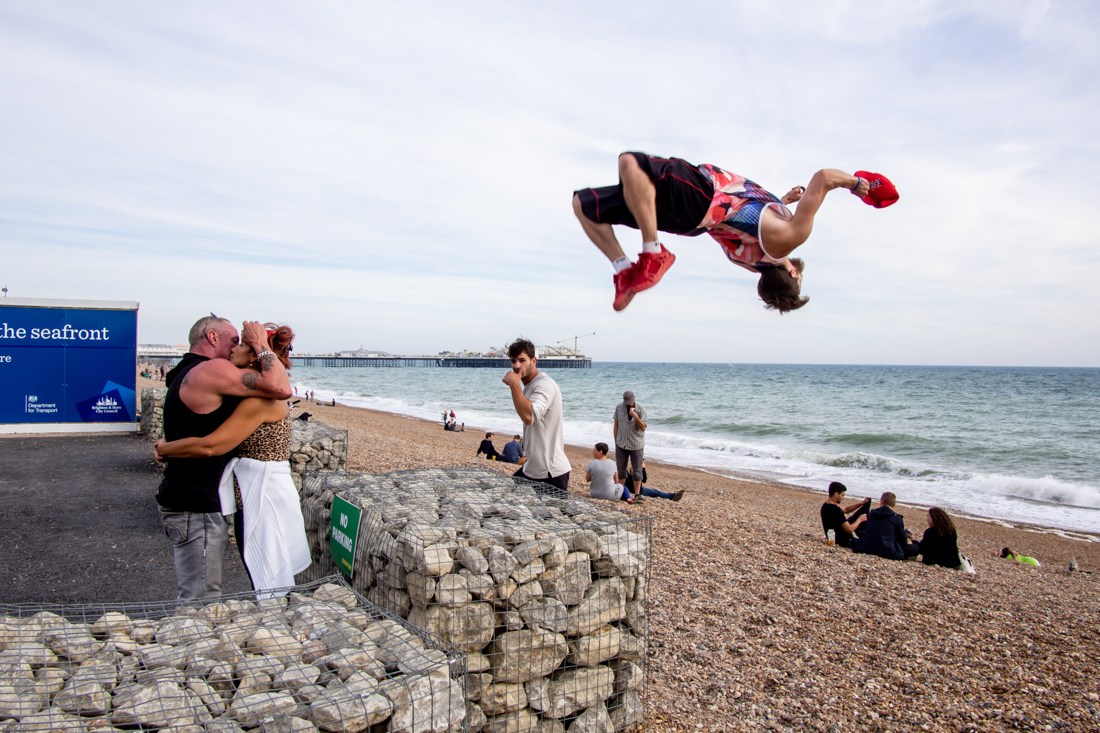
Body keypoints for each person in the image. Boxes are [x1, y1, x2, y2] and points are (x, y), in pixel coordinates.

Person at [573, 152, 896, 312]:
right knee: (585, 204)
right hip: (688, 222)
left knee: (631, 163)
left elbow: (824, 176)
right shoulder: (745, 260)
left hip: (703, 194)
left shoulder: (791, 237)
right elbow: (748, 225)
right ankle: (625, 271)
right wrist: (782, 201)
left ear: (794, 272)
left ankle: (652, 254)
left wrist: (857, 184)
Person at [155, 324, 310, 597]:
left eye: (240, 343)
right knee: (263, 575)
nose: (233, 349)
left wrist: (165, 449)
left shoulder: (259, 401)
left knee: (268, 577)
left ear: (253, 355)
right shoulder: (242, 390)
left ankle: (273, 628)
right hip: (250, 494)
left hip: (262, 497)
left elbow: (211, 445)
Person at [503, 338, 571, 492]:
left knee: (555, 515)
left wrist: (514, 385)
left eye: (522, 360)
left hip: (550, 472)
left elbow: (529, 417)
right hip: (531, 468)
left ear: (534, 360)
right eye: (513, 361)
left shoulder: (544, 385)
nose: (516, 366)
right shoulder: (529, 385)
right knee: (509, 503)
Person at [851, 492, 920, 561]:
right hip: (886, 549)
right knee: (916, 548)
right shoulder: (896, 518)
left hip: (867, 546)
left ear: (882, 501)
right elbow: (903, 540)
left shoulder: (872, 514)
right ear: (894, 504)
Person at [820, 481, 872, 548]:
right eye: (842, 495)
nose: (843, 497)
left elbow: (846, 509)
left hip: (833, 539)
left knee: (858, 513)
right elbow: (849, 529)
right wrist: (860, 519)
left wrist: (861, 503)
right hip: (844, 541)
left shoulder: (825, 506)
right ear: (836, 494)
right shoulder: (836, 510)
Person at [613, 391, 647, 494]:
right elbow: (616, 425)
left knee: (637, 471)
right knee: (621, 470)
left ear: (634, 398)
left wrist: (636, 417)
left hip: (636, 444)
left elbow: (643, 428)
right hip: (621, 444)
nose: (629, 404)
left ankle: (637, 494)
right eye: (627, 402)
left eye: (630, 402)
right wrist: (616, 441)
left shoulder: (641, 409)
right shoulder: (619, 407)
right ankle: (621, 493)